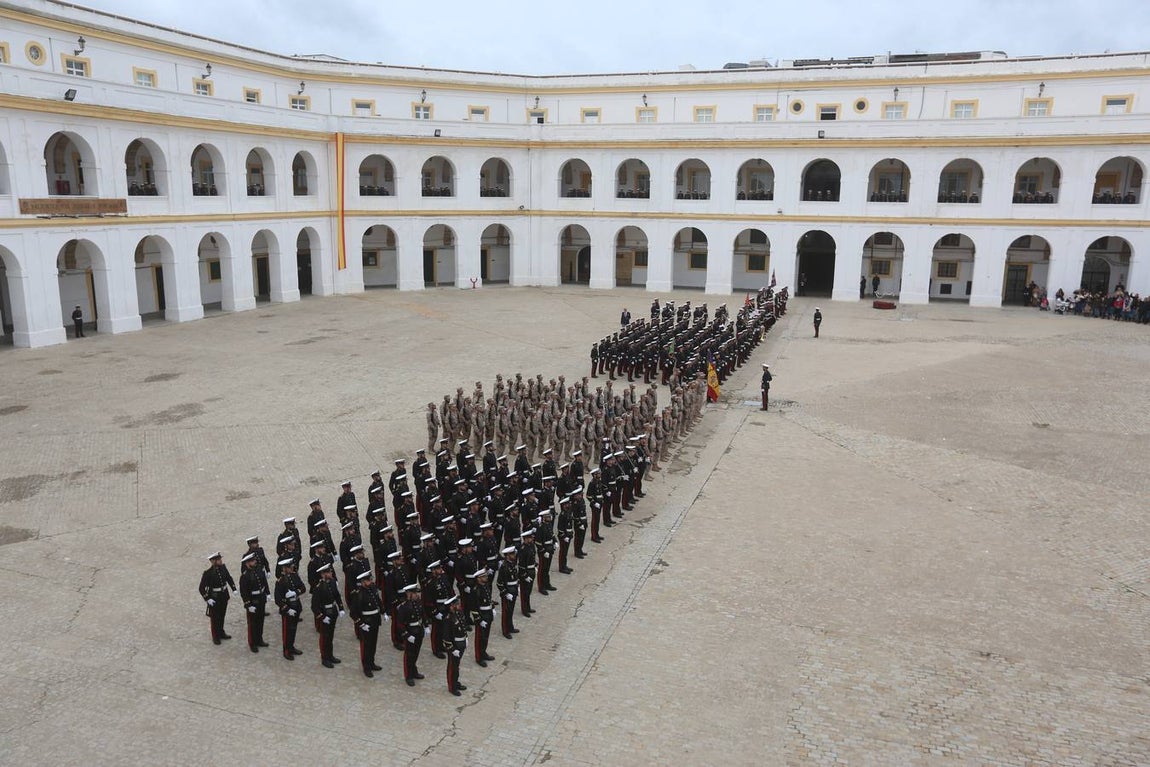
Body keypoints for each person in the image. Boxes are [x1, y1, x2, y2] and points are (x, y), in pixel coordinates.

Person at [310, 564, 344, 668]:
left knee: (331, 636)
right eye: (329, 572)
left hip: (333, 612)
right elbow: (314, 606)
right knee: (324, 637)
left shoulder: (333, 582)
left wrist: (341, 608)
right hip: (325, 613)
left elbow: (337, 596)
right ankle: (324, 658)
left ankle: (330, 655)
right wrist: (322, 617)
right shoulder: (318, 588)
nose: (331, 573)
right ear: (323, 574)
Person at [198, 552, 235, 645]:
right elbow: (201, 588)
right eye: (218, 560)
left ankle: (221, 632)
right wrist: (207, 599)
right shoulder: (208, 573)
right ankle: (215, 636)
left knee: (222, 615)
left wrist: (233, 588)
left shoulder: (223, 568)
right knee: (215, 618)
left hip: (224, 595)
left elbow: (228, 578)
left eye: (220, 559)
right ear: (213, 561)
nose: (221, 561)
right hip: (214, 598)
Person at [273, 558, 306, 660]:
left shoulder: (295, 576)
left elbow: (303, 588)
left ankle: (291, 647)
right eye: (289, 567)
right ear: (284, 568)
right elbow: (278, 600)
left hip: (296, 605)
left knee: (293, 629)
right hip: (288, 609)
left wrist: (295, 593)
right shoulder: (280, 581)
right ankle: (286, 650)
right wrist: (287, 609)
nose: (292, 568)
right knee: (287, 631)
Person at [239, 552, 270, 653]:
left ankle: (259, 640)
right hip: (253, 601)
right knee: (252, 623)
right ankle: (252, 643)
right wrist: (248, 605)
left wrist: (268, 593)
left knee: (260, 620)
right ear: (247, 563)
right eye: (252, 561)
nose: (255, 561)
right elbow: (244, 592)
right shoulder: (245, 576)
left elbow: (264, 582)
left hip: (261, 598)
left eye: (254, 560)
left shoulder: (259, 570)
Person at [396, 583, 426, 686]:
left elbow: (422, 614)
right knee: (409, 655)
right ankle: (408, 675)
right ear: (408, 594)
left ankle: (414, 671)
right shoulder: (403, 607)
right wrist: (407, 635)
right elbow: (399, 624)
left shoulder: (418, 603)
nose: (417, 595)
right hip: (410, 632)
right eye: (414, 593)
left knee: (416, 653)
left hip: (419, 631)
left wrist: (425, 626)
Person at [443, 595, 469, 695]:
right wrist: (452, 649)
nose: (459, 605)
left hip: (461, 643)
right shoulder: (448, 619)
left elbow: (463, 626)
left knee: (457, 666)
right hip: (454, 645)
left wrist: (465, 637)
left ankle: (456, 682)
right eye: (456, 604)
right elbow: (446, 637)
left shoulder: (459, 613)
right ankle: (451, 686)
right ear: (451, 606)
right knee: (452, 666)